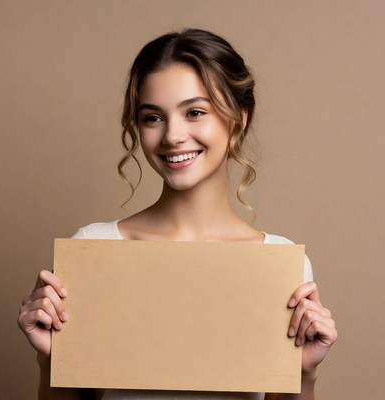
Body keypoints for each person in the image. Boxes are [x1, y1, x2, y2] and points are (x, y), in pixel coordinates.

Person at [18, 28, 337, 400]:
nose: (172, 136)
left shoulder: (279, 266)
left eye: (195, 112)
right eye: (153, 117)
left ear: (239, 117)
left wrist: (305, 374)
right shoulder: (95, 249)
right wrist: (50, 362)